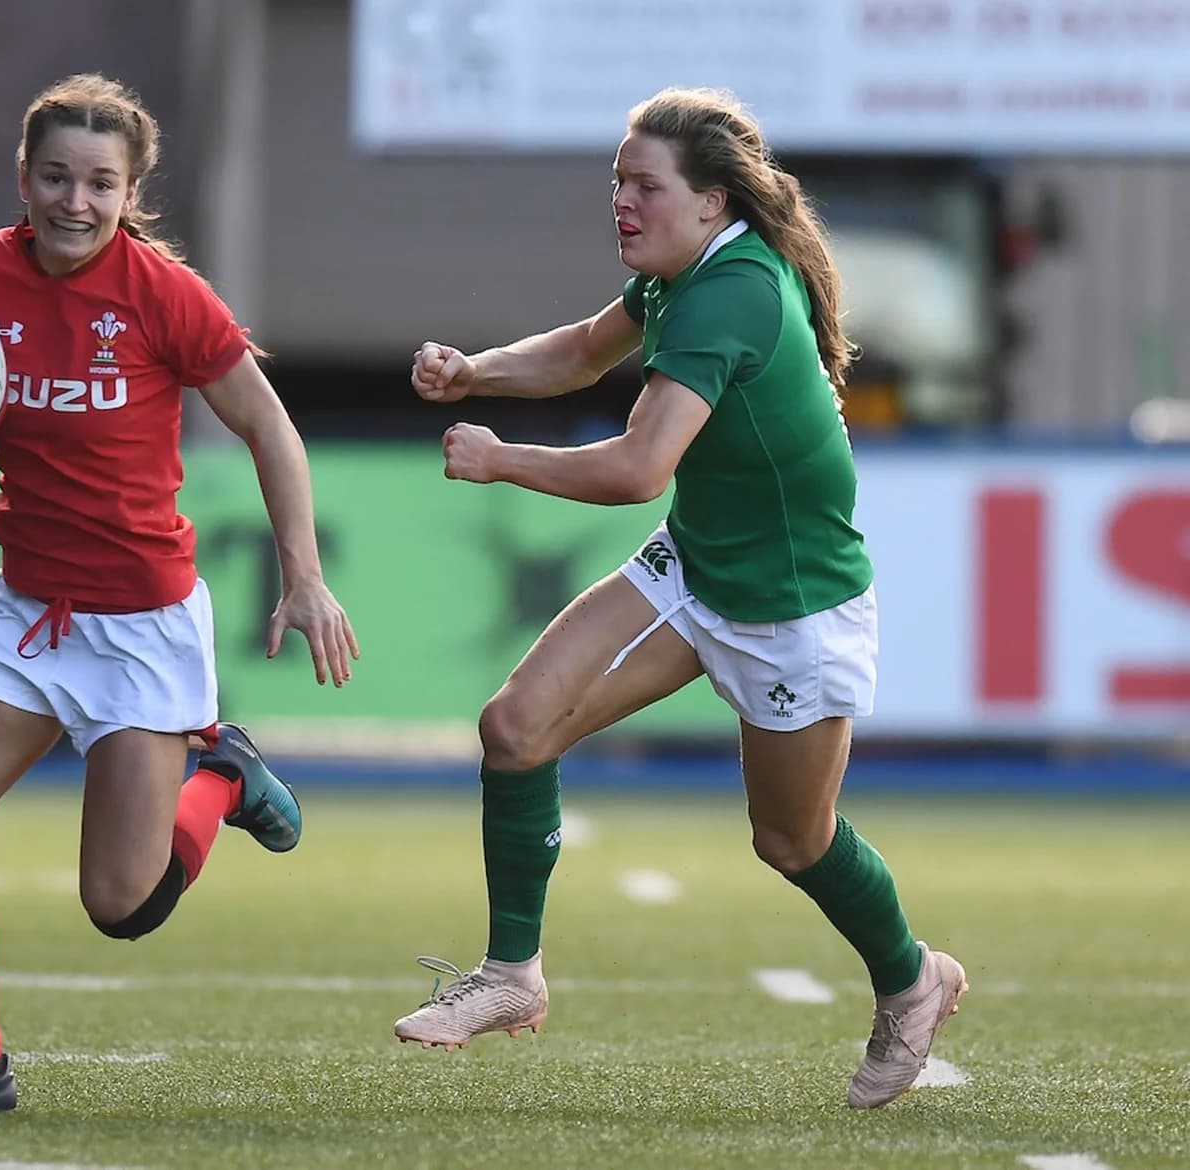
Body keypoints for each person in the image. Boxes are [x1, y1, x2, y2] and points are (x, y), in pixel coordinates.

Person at [390, 87, 965, 1109]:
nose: (622, 201)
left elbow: (637, 467)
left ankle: (912, 977)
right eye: (616, 181)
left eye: (644, 186)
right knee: (515, 727)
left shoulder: (726, 291)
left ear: (710, 203)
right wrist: (472, 371)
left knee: (792, 840)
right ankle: (512, 976)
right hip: (695, 568)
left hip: (793, 608)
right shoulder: (677, 271)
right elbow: (577, 352)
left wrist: (496, 460)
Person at [0, 73, 358, 1112]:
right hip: (26, 614)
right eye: (57, 176)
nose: (76, 200)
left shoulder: (164, 294)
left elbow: (269, 426)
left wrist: (304, 576)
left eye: (101, 183)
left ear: (131, 193)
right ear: (25, 178)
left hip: (142, 630)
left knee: (121, 907)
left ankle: (222, 775)